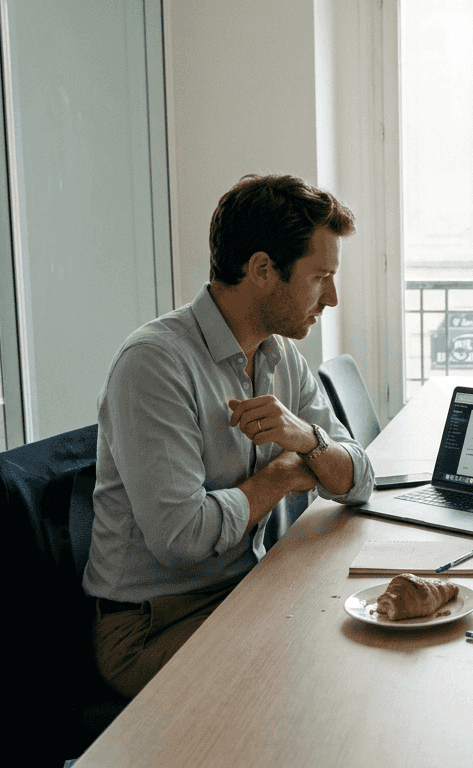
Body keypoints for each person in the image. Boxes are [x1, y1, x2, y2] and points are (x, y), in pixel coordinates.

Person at [83, 174, 375, 698]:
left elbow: (359, 478)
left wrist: (309, 439)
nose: (331, 297)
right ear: (263, 269)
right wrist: (285, 474)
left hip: (242, 589)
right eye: (320, 276)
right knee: (317, 680)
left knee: (361, 644)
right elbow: (180, 539)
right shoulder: (154, 364)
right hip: (153, 627)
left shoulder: (278, 354)